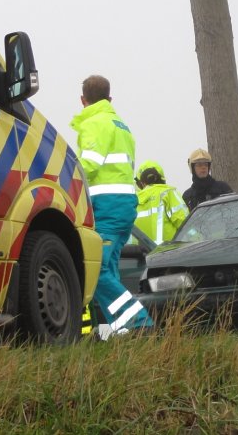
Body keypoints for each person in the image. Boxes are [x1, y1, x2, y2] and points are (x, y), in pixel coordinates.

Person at [69, 75, 152, 335]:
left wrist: (63, 179)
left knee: (98, 271)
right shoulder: (121, 126)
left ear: (83, 100)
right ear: (110, 98)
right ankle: (124, 331)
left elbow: (88, 165)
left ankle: (140, 324)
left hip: (106, 206)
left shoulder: (94, 123)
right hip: (124, 206)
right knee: (109, 271)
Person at [135, 160, 189, 244]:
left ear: (141, 182)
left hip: (139, 255)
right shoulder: (168, 194)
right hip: (167, 253)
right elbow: (185, 223)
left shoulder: (134, 201)